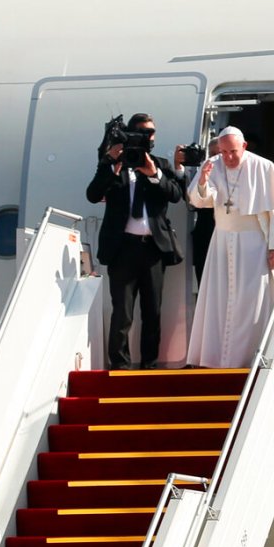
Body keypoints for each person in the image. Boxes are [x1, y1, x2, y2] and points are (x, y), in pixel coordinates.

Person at [186, 126, 274, 368]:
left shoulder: (263, 167)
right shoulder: (214, 163)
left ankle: (249, 357)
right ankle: (218, 359)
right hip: (222, 241)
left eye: (232, 152)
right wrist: (202, 180)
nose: (228, 158)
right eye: (224, 152)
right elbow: (200, 200)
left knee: (251, 302)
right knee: (221, 300)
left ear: (243, 146)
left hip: (255, 242)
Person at [86, 113, 182, 370]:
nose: (146, 137)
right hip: (122, 248)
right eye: (140, 132)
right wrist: (110, 163)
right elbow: (93, 194)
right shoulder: (114, 163)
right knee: (123, 311)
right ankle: (120, 365)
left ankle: (150, 364)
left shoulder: (160, 164)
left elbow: (175, 195)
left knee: (153, 311)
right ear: (130, 133)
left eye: (150, 132)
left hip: (153, 248)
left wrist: (154, 174)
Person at [178, 137, 219, 286]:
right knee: (205, 284)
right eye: (213, 154)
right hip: (205, 237)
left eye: (220, 153)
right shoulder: (205, 170)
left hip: (228, 239)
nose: (216, 158)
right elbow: (192, 200)